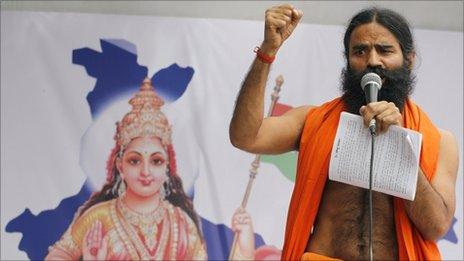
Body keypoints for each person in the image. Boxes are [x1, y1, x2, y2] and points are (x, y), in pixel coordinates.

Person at [229, 4, 459, 260]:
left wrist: (398, 141)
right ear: (348, 60)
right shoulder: (313, 121)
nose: (372, 61)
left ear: (409, 59)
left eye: (385, 50)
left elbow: (436, 226)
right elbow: (246, 136)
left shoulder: (441, 142)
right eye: (360, 51)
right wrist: (267, 52)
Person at [46, 78, 206, 260]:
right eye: (135, 161)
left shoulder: (182, 224)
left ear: (167, 168)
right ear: (120, 166)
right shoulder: (99, 218)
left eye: (156, 161)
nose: (146, 171)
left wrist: (243, 243)